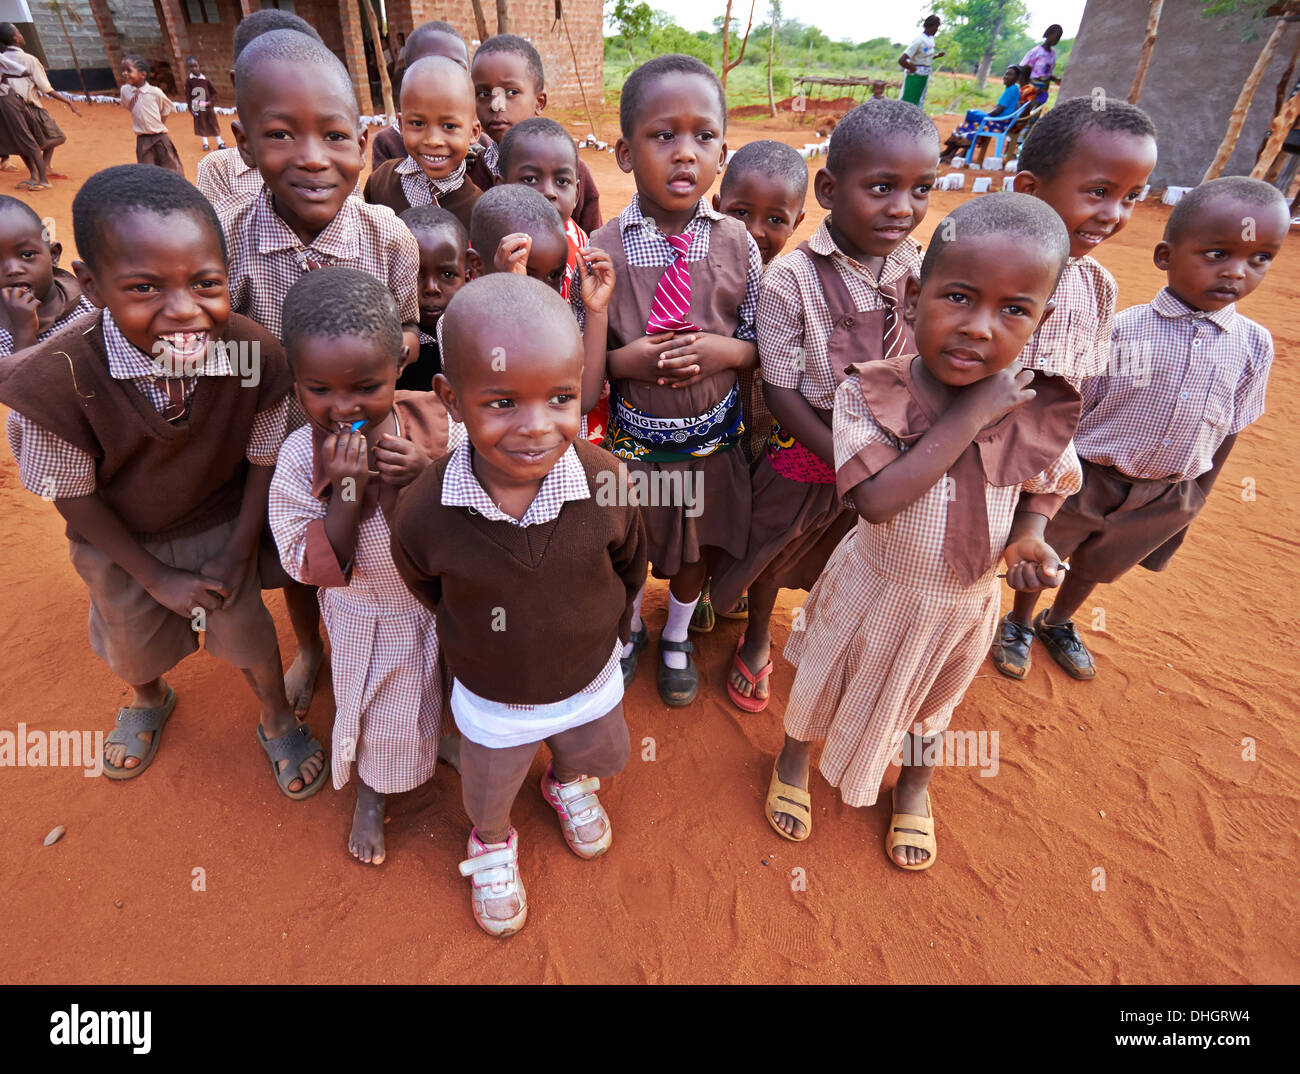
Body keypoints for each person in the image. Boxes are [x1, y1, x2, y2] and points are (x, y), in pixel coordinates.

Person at [765, 194, 1082, 870]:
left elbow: (1046, 485)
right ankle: (793, 758)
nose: (979, 328)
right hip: (874, 588)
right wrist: (969, 417)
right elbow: (876, 499)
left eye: (1014, 310)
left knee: (932, 705)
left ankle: (913, 786)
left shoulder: (1032, 406)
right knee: (824, 680)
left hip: (961, 608)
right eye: (959, 297)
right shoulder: (872, 393)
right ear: (912, 299)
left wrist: (1030, 538)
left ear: (1042, 321)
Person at [0, 164, 327, 796]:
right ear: (92, 286)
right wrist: (155, 576)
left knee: (247, 633)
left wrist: (237, 552)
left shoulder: (249, 354)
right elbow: (75, 497)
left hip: (217, 523)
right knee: (131, 639)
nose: (184, 311)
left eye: (206, 283)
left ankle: (275, 715)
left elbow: (264, 454)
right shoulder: (59, 380)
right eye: (145, 287)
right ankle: (148, 697)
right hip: (119, 541)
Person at [391, 273, 647, 937]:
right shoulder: (424, 509)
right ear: (450, 398)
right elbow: (423, 584)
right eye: (502, 401)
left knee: (590, 747)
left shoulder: (605, 481)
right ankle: (493, 841)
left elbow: (630, 566)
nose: (537, 427)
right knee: (489, 784)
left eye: (561, 397)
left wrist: (607, 637)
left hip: (589, 673)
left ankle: (564, 782)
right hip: (494, 695)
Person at [997, 177, 1290, 681]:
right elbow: (1072, 409)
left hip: (1167, 490)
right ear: (1165, 255)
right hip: (1086, 477)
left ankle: (1059, 622)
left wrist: (1197, 494)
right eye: (1217, 253)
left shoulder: (1255, 345)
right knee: (1051, 552)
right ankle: (1020, 620)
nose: (1236, 272)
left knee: (1099, 564)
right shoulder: (1121, 328)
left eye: (1260, 258)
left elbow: (1233, 425)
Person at [712, 100, 937, 713]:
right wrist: (848, 457)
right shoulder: (793, 279)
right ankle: (756, 636)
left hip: (889, 464)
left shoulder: (919, 267)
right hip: (808, 450)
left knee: (843, 552)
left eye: (922, 189)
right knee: (772, 548)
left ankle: (829, 640)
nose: (903, 207)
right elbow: (782, 391)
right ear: (831, 189)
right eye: (882, 187)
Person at [222, 28, 422, 717]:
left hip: (371, 427)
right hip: (273, 446)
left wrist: (386, 372)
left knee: (376, 542)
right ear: (242, 141)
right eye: (280, 135)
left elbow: (410, 328)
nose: (312, 159)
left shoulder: (388, 237)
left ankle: (393, 641)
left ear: (362, 142)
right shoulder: (226, 241)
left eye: (335, 136)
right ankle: (313, 646)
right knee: (295, 560)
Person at [587, 54, 761, 707]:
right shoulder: (603, 245)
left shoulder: (738, 244)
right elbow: (583, 359)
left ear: (723, 151)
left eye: (703, 137)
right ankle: (630, 629)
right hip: (634, 449)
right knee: (631, 550)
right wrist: (625, 362)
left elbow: (758, 346)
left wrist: (725, 352)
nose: (685, 154)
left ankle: (678, 636)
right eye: (664, 137)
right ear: (627, 154)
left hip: (713, 445)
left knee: (696, 553)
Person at [270, 268, 457, 865]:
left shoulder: (432, 425)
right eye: (319, 389)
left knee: (448, 692)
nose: (343, 407)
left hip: (434, 610)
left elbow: (471, 519)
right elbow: (308, 566)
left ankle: (443, 744)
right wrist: (347, 494)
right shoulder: (301, 458)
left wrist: (427, 477)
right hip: (368, 618)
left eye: (365, 387)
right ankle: (373, 796)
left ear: (401, 363)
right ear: (295, 383)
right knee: (385, 718)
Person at [990, 97, 1157, 678]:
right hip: (956, 476)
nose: (1113, 213)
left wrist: (1036, 517)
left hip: (1035, 485)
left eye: (1131, 197)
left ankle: (1014, 622)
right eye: (1099, 191)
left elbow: (1070, 407)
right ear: (1031, 188)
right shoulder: (980, 267)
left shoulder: (1099, 287)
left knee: (996, 580)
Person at [687, 138, 809, 634]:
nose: (757, 232)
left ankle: (724, 591)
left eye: (775, 220)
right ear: (717, 207)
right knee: (710, 514)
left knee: (750, 517)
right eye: (741, 213)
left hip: (766, 431)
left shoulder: (794, 283)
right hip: (709, 428)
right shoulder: (696, 271)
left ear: (798, 223)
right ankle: (697, 596)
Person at [468, 183, 615, 436]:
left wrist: (597, 311)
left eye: (554, 275)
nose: (542, 289)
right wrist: (513, 294)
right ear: (476, 266)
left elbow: (586, 399)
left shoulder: (565, 321)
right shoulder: (462, 323)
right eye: (525, 273)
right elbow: (508, 377)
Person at [469, 34, 602, 234]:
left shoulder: (570, 171)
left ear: (539, 102)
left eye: (512, 92)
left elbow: (592, 241)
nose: (496, 105)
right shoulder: (472, 175)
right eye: (484, 94)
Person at [195, 9, 323, 208]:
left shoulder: (334, 159)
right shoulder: (218, 171)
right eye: (276, 79)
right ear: (238, 83)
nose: (295, 90)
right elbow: (217, 236)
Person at [364, 56, 481, 233]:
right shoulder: (380, 182)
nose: (433, 140)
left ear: (473, 133)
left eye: (449, 126)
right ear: (401, 125)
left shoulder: (478, 210)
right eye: (418, 124)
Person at [0, 195, 95, 356]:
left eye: (27, 254)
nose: (13, 269)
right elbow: (17, 381)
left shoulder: (90, 304)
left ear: (53, 255)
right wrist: (23, 332)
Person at [371, 20, 470, 170]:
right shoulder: (387, 143)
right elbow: (383, 190)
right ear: (407, 76)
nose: (442, 78)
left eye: (456, 67)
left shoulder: (479, 141)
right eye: (426, 67)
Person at [397, 204, 468, 390]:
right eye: (415, 275)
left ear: (467, 274)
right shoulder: (388, 346)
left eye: (447, 275)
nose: (431, 289)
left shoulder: (476, 337)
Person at [0, 23, 80, 182]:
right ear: (16, 38)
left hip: (9, 106)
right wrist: (68, 102)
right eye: (19, 33)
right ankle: (43, 167)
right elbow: (46, 88)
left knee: (23, 138)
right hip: (30, 106)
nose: (22, 35)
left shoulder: (3, 59)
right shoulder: (30, 60)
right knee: (57, 136)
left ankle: (36, 170)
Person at [939, 65, 1023, 164]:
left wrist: (984, 117)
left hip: (999, 124)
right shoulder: (1012, 89)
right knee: (967, 125)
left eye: (1011, 75)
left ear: (1017, 78)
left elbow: (997, 111)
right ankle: (951, 153)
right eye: (1006, 74)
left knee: (971, 117)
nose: (1006, 76)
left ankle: (951, 153)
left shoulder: (1012, 90)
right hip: (999, 122)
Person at [120, 57, 184, 177]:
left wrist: (160, 125)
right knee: (147, 174)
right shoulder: (124, 91)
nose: (125, 74)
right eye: (123, 70)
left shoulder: (155, 92)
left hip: (160, 138)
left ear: (142, 74)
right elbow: (128, 106)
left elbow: (166, 108)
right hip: (142, 140)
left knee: (172, 171)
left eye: (129, 70)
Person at [899, 14, 945, 108]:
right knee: (908, 99)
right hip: (915, 75)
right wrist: (913, 69)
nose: (936, 30)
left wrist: (936, 56)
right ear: (930, 26)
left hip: (925, 74)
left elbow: (924, 58)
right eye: (936, 27)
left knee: (919, 99)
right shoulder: (919, 41)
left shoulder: (930, 41)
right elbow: (902, 60)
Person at [184, 55, 227, 153]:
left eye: (195, 66)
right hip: (198, 107)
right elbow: (188, 96)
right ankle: (205, 144)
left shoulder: (205, 79)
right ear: (188, 68)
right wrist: (192, 109)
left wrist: (210, 102)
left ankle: (220, 142)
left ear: (199, 66)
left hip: (208, 106)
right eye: (191, 66)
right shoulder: (189, 81)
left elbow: (214, 92)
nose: (194, 68)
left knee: (213, 123)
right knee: (202, 124)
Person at [1022, 24, 1064, 107]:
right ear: (1048, 34)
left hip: (1043, 88)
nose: (1057, 39)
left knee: (1036, 111)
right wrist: (1031, 87)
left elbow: (1045, 73)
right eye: (1056, 36)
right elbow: (1024, 70)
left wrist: (1055, 79)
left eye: (1059, 37)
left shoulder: (1052, 53)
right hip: (1032, 88)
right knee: (1025, 110)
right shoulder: (1036, 51)